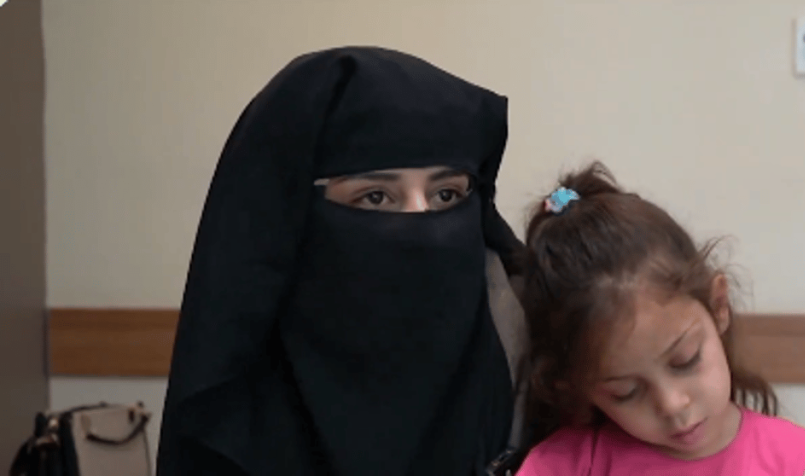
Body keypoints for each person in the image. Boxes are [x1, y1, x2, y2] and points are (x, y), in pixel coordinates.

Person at [156, 46, 528, 476]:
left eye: (446, 194)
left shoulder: (526, 357)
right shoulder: (233, 411)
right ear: (292, 217)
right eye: (376, 197)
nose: (422, 222)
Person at [512, 162, 805, 475]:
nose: (672, 405)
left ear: (718, 306)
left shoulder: (795, 461)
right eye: (626, 392)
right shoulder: (563, 465)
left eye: (686, 361)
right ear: (576, 387)